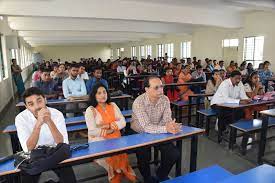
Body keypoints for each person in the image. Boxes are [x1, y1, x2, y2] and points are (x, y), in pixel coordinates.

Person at [15, 87, 76, 183]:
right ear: (26, 107)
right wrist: (38, 124)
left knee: (70, 180)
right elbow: (28, 148)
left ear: (45, 100)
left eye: (39, 101)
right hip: (34, 156)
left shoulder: (57, 114)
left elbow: (62, 143)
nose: (37, 107)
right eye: (31, 104)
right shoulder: (20, 119)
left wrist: (49, 121)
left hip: (54, 153)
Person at [130, 76, 181, 183]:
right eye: (156, 87)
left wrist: (171, 125)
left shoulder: (165, 99)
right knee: (144, 156)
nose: (160, 90)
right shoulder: (138, 102)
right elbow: (146, 126)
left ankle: (160, 175)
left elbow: (167, 119)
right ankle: (147, 178)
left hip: (159, 131)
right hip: (140, 132)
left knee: (173, 153)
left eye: (161, 87)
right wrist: (165, 128)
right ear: (146, 89)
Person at [85, 83, 136, 183]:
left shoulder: (112, 105)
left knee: (120, 152)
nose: (103, 95)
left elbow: (123, 122)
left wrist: (108, 126)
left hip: (116, 137)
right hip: (99, 141)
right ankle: (116, 175)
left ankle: (120, 171)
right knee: (113, 157)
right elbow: (92, 131)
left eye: (104, 92)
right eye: (99, 93)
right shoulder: (91, 110)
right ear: (94, 95)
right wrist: (109, 129)